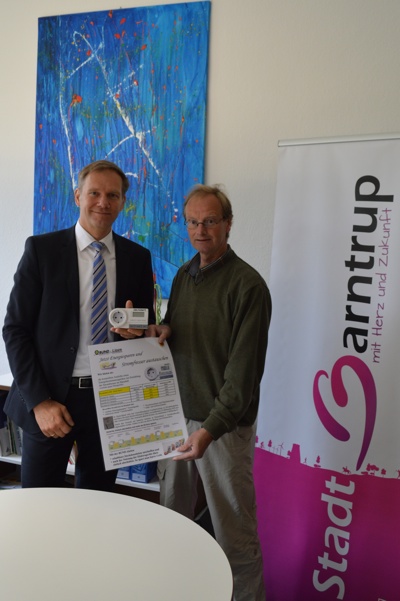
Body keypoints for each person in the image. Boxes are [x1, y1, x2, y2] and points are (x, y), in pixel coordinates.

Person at [2, 160, 155, 490]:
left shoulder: (137, 258)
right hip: (51, 399)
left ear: (122, 202)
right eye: (94, 193)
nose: (103, 202)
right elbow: (15, 330)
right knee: (41, 502)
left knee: (99, 499)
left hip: (111, 396)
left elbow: (145, 324)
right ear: (77, 196)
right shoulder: (42, 251)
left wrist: (138, 331)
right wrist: (40, 402)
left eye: (112, 195)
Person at [154, 184, 271, 601]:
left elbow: (243, 375)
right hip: (177, 421)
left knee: (233, 535)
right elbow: (182, 332)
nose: (200, 230)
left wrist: (210, 429)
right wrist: (162, 331)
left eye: (210, 221)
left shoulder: (248, 286)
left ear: (228, 224)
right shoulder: (184, 276)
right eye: (193, 222)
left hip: (222, 429)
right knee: (172, 523)